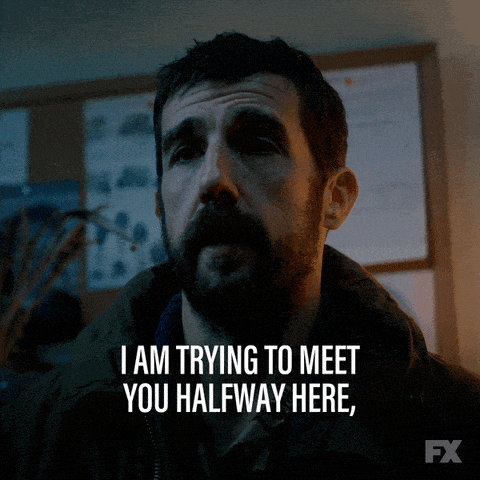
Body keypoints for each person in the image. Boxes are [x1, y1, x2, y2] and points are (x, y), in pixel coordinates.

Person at [3, 32, 480, 479]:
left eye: (258, 144)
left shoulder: (455, 423)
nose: (213, 179)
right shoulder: (33, 435)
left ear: (333, 199)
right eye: (185, 151)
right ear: (160, 205)